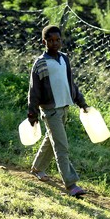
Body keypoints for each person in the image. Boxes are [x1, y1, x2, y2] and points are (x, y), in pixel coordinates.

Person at [27, 25, 90, 197]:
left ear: (61, 41)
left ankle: (37, 167)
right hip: (50, 110)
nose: (55, 43)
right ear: (44, 42)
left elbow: (70, 84)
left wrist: (81, 102)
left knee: (51, 138)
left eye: (58, 40)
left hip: (64, 108)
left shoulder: (64, 59)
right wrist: (32, 113)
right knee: (62, 146)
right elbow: (34, 90)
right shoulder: (40, 63)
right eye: (50, 40)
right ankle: (71, 184)